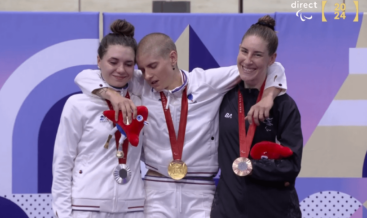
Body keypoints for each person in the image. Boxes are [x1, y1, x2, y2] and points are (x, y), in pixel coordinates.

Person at [74, 31, 288, 217]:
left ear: (173, 57)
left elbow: (272, 67)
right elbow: (85, 76)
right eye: (143, 68)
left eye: (153, 66)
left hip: (200, 191)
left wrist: (269, 97)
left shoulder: (207, 82)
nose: (147, 75)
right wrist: (112, 95)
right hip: (156, 190)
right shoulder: (142, 84)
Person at [210, 15, 303, 218]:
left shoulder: (283, 106)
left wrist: (253, 166)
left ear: (271, 59)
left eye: (257, 55)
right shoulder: (224, 96)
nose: (248, 60)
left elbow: (291, 165)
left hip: (273, 211)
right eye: (244, 51)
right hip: (228, 211)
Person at [52, 19, 145, 218]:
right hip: (86, 208)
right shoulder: (78, 104)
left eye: (128, 64)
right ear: (98, 61)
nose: (121, 69)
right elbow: (63, 162)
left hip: (133, 208)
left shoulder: (141, 103)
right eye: (113, 62)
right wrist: (62, 213)